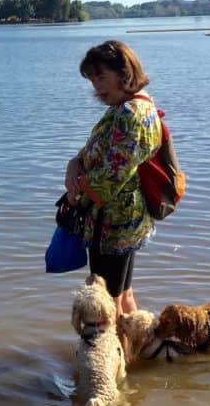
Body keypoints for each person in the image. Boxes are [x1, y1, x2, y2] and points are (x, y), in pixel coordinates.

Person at [64, 40, 161, 315]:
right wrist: (73, 166)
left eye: (102, 77)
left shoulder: (130, 114)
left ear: (124, 73)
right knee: (124, 295)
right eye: (92, 79)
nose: (96, 86)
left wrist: (75, 192)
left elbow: (110, 179)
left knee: (109, 303)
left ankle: (116, 356)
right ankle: (134, 353)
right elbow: (89, 154)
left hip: (114, 222)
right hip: (122, 220)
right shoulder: (127, 107)